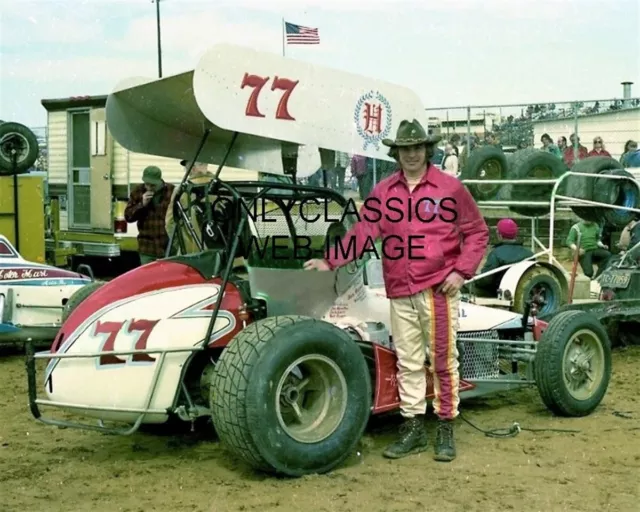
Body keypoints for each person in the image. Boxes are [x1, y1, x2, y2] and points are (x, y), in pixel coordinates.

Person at [304, 118, 490, 462]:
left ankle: (446, 426)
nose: (412, 155)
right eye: (405, 149)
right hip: (399, 288)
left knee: (443, 360)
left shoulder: (450, 189)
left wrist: (461, 272)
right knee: (407, 361)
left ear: (427, 150)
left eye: (417, 147)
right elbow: (363, 232)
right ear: (396, 153)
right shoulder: (384, 192)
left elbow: (478, 233)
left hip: (437, 290)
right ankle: (413, 427)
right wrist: (330, 262)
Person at [124, 166, 175, 265]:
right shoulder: (138, 191)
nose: (149, 187)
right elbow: (128, 217)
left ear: (160, 181)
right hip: (147, 246)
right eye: (147, 184)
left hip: (168, 245)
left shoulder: (171, 191)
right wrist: (141, 204)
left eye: (153, 185)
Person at [474, 219, 534, 296]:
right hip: (521, 291)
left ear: (499, 234)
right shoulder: (530, 254)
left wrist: (475, 279)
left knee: (462, 285)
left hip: (497, 292)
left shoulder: (496, 253)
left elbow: (486, 280)